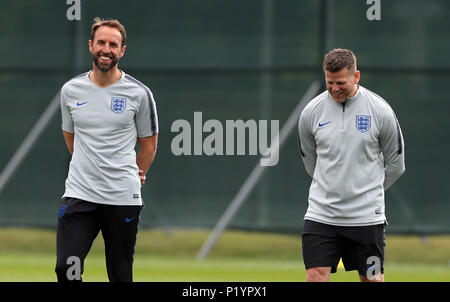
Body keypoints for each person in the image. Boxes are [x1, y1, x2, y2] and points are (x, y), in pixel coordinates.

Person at [56, 17, 158, 282]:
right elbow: (71, 139)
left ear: (122, 51)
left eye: (114, 44)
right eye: (101, 42)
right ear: (91, 46)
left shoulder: (139, 94)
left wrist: (138, 172)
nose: (106, 49)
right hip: (80, 195)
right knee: (66, 269)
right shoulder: (71, 90)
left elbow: (149, 146)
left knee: (120, 275)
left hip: (122, 198)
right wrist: (88, 165)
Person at [298, 48, 405, 282]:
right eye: (329, 82)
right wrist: (331, 188)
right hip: (321, 215)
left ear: (356, 77)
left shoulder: (380, 110)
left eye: (341, 82)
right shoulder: (311, 113)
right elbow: (310, 162)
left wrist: (367, 190)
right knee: (315, 276)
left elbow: (397, 164)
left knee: (373, 279)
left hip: (366, 218)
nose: (334, 88)